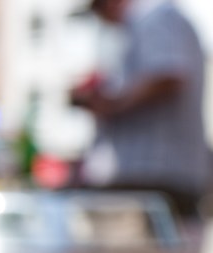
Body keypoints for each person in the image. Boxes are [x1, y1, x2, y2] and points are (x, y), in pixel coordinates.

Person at [71, 0, 209, 216]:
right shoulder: (147, 22)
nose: (102, 19)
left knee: (140, 249)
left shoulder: (155, 16)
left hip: (153, 178)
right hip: (150, 179)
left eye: (99, 9)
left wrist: (113, 104)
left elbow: (168, 75)